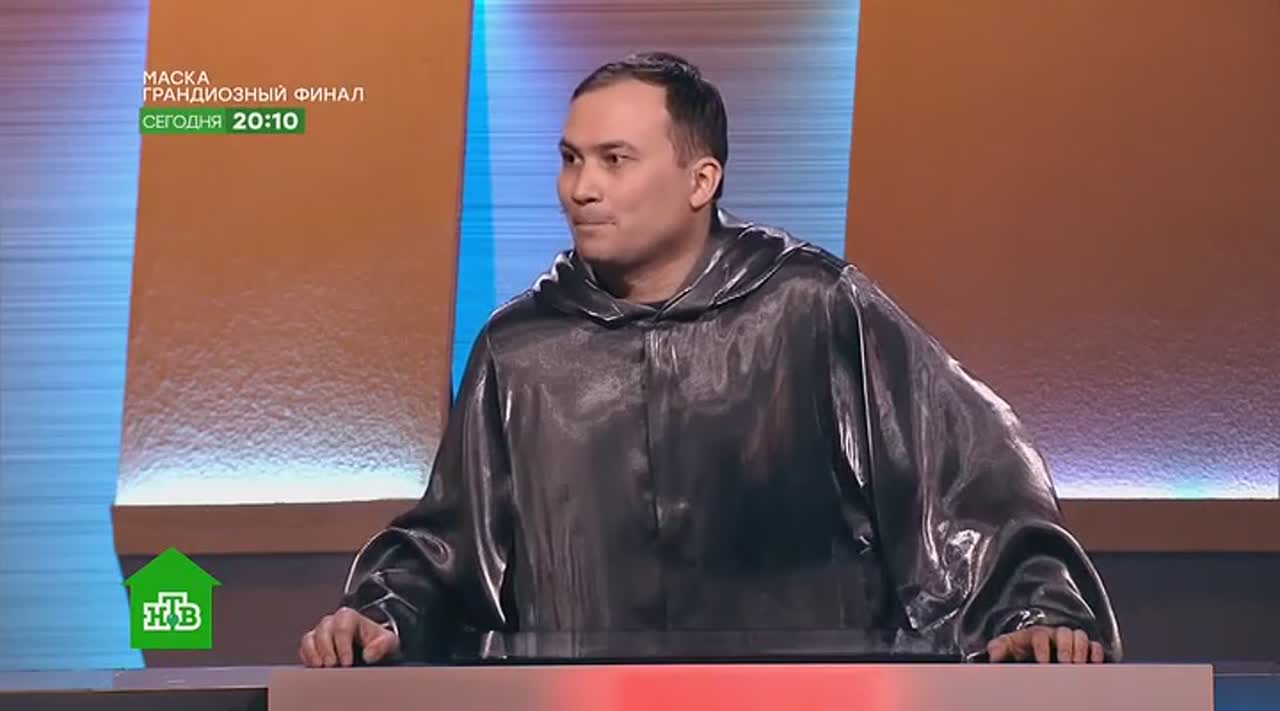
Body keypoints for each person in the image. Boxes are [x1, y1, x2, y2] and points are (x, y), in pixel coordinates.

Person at [299, 52, 1121, 668]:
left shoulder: (813, 305)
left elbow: (968, 479)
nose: (581, 188)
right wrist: (381, 614)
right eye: (570, 158)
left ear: (701, 179)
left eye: (614, 159)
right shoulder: (520, 351)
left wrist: (1035, 608)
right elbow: (448, 546)